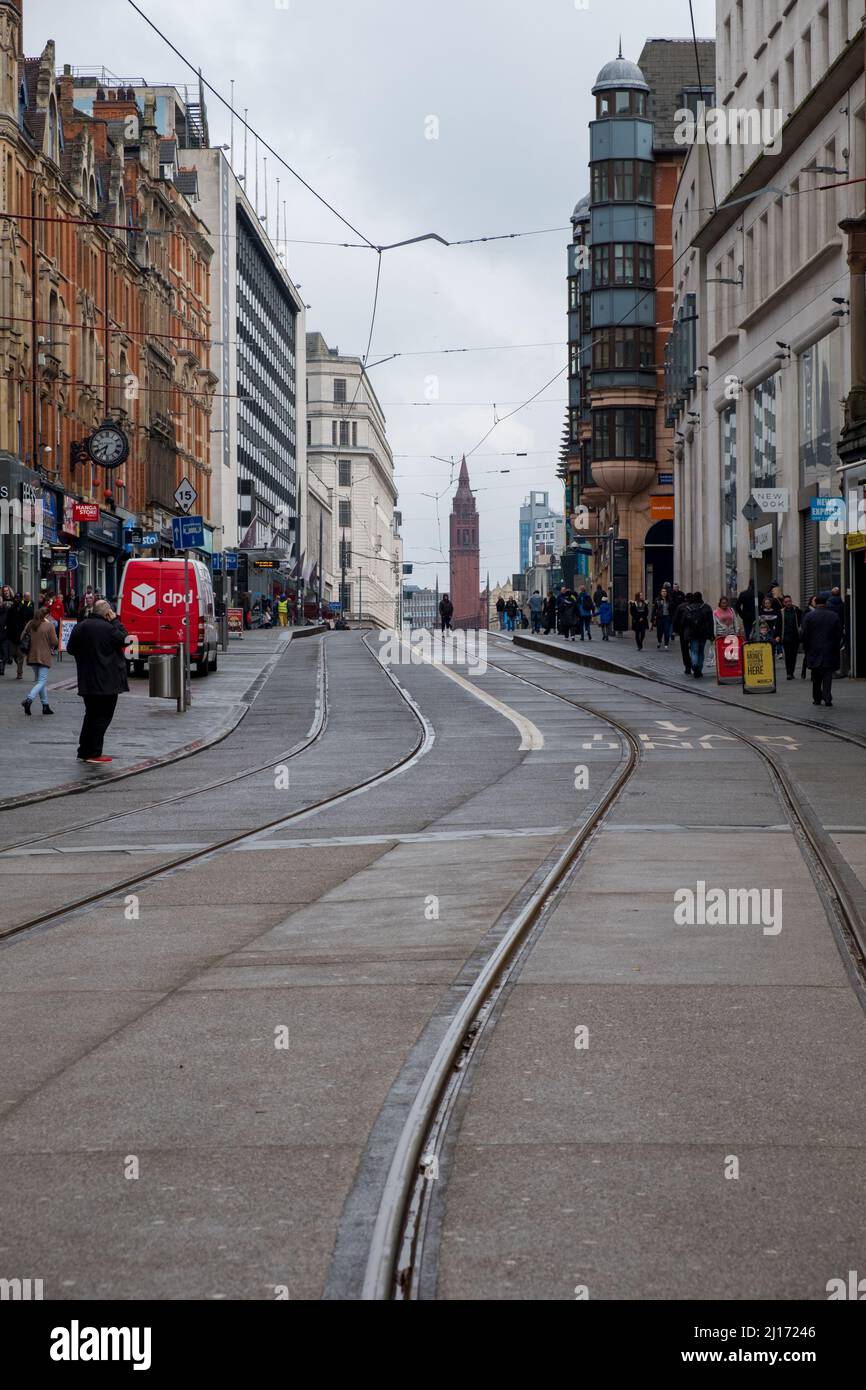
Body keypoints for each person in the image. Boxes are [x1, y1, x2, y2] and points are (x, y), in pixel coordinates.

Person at [66, 599, 129, 762]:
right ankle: (94, 752)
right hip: (107, 682)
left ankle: (84, 750)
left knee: (91, 715)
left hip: (87, 680)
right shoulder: (109, 628)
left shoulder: (80, 626)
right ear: (108, 613)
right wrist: (116, 621)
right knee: (102, 717)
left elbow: (70, 649)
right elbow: (126, 639)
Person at [801, 593, 842, 708]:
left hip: (814, 651)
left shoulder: (809, 616)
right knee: (828, 675)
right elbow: (839, 634)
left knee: (816, 676)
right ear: (826, 603)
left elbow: (804, 634)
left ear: (815, 603)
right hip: (830, 650)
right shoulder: (834, 616)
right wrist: (835, 645)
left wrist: (806, 647)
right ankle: (827, 697)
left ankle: (817, 698)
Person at [20, 605, 58, 715]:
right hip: (44, 657)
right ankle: (29, 700)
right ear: (46, 615)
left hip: (32, 657)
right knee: (41, 682)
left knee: (40, 682)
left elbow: (22, 637)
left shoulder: (30, 623)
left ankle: (45, 706)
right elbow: (54, 642)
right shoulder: (48, 625)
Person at [682, 590, 713, 678]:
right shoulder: (707, 607)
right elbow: (711, 622)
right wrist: (711, 634)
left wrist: (684, 634)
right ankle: (699, 669)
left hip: (693, 634)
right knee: (701, 651)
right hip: (703, 633)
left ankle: (695, 666)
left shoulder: (688, 608)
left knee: (694, 651)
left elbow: (684, 622)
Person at [8, 591, 34, 678]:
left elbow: (30, 618)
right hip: (12, 635)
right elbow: (8, 622)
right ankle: (19, 668)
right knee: (13, 654)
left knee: (20, 655)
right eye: (16, 598)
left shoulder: (24, 608)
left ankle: (19, 672)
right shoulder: (11, 609)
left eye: (18, 598)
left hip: (20, 634)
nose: (17, 599)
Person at [780, 595, 803, 680]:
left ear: (791, 601)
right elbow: (778, 625)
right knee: (788, 655)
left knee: (793, 656)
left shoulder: (796, 611)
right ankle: (788, 673)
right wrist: (777, 636)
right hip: (786, 637)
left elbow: (802, 619)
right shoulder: (781, 612)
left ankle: (792, 671)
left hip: (795, 636)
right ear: (783, 603)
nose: (788, 603)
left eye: (789, 601)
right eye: (786, 602)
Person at [673, 592, 694, 674]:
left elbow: (675, 620)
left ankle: (687, 667)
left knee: (684, 649)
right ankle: (695, 663)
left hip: (683, 631)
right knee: (694, 648)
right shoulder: (698, 606)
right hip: (695, 631)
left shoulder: (681, 607)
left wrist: (675, 631)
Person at [0, 585, 12, 675]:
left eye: (7, 590)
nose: (6, 592)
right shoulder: (2, 600)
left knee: (6, 649)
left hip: (7, 629)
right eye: (4, 591)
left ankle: (8, 657)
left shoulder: (12, 600)